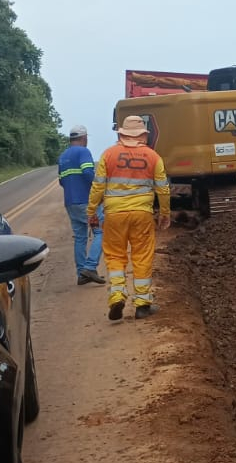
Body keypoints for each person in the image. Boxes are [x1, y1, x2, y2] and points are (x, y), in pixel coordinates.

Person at [88, 114, 170, 320]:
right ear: (143, 135)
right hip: (142, 215)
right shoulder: (153, 157)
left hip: (114, 215)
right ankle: (142, 305)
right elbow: (163, 189)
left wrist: (92, 212)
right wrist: (165, 213)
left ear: (122, 134)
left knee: (115, 255)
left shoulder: (108, 155)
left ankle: (117, 295)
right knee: (142, 256)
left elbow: (97, 186)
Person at [58, 124, 103, 286]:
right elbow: (88, 172)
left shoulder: (63, 156)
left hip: (71, 203)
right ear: (84, 138)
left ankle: (81, 274)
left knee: (80, 237)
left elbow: (61, 181)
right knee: (101, 232)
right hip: (86, 202)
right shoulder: (83, 152)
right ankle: (90, 267)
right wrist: (99, 190)